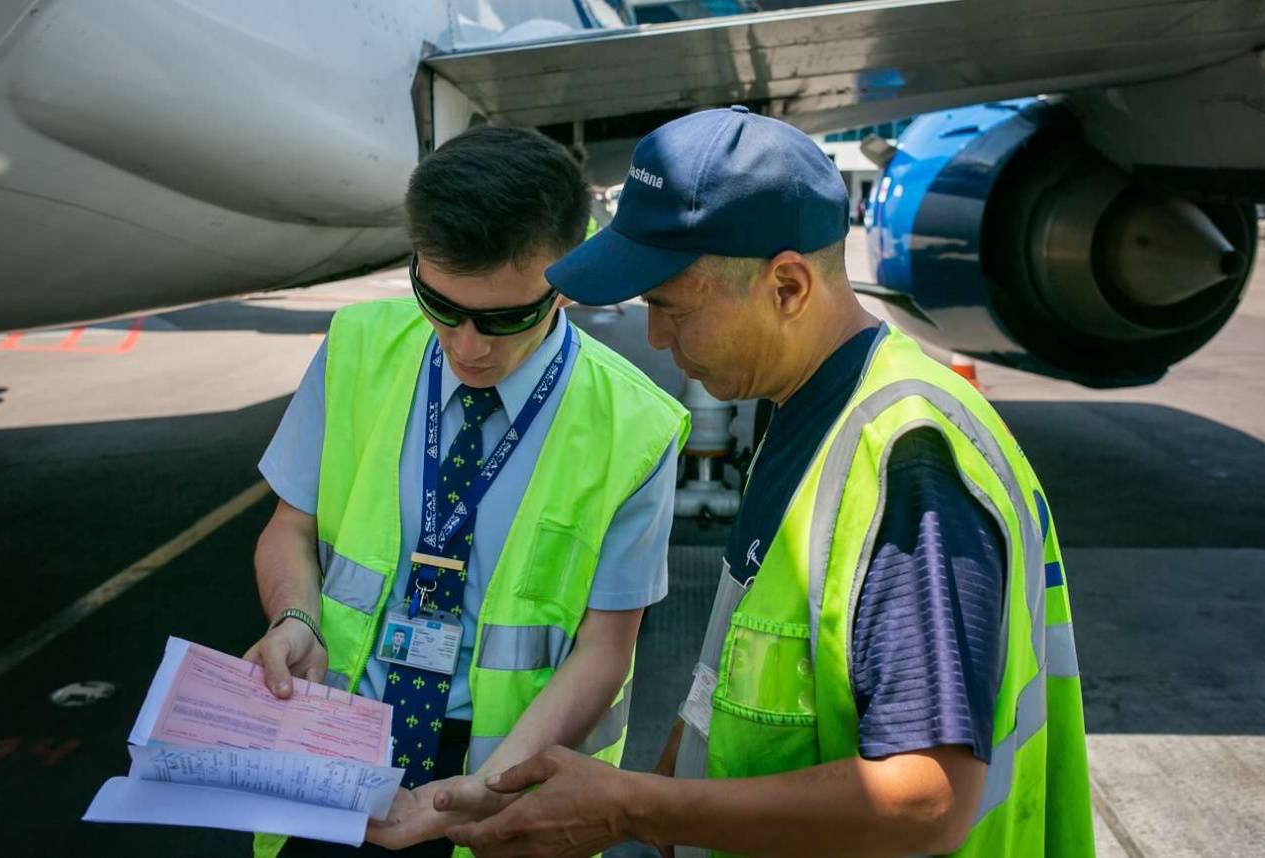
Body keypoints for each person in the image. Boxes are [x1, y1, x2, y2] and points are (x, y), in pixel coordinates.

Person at [432, 107, 1095, 857]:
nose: (654, 336)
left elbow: (926, 799)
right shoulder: (806, 409)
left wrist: (634, 810)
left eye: (668, 307)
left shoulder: (910, 462)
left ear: (786, 286)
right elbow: (739, 687)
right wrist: (652, 824)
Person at [244, 126, 689, 857]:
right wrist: (296, 617)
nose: (468, 347)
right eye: (441, 305)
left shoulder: (635, 426)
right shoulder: (357, 345)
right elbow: (290, 525)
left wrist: (489, 788)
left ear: (571, 279)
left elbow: (605, 649)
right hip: (332, 741)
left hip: (504, 777)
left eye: (508, 317)